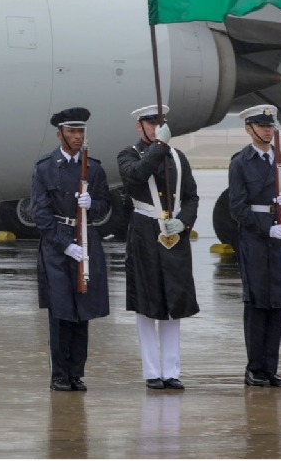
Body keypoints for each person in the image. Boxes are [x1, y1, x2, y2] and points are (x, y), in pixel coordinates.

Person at [116, 105, 199, 391]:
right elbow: (136, 177)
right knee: (146, 303)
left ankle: (172, 371)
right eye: (151, 123)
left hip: (173, 233)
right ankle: (152, 371)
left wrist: (184, 221)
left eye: (160, 123)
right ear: (140, 126)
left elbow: (191, 196)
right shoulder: (128, 154)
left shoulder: (179, 157)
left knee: (173, 302)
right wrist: (160, 145)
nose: (156, 127)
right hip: (144, 231)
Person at [32, 107, 109, 392]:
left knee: (82, 311)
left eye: (81, 132)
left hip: (86, 238)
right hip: (57, 243)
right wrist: (65, 245)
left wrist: (93, 205)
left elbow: (105, 206)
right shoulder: (45, 167)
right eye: (72, 132)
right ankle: (59, 374)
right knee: (61, 311)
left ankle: (77, 372)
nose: (77, 137)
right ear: (60, 134)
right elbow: (39, 214)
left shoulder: (94, 168)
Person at [229, 104, 281, 388]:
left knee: (277, 303)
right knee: (258, 304)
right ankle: (254, 368)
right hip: (255, 239)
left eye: (270, 126)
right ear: (249, 129)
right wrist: (265, 227)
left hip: (279, 238)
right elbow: (237, 207)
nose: (268, 130)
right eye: (262, 126)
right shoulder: (241, 163)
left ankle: (270, 368)